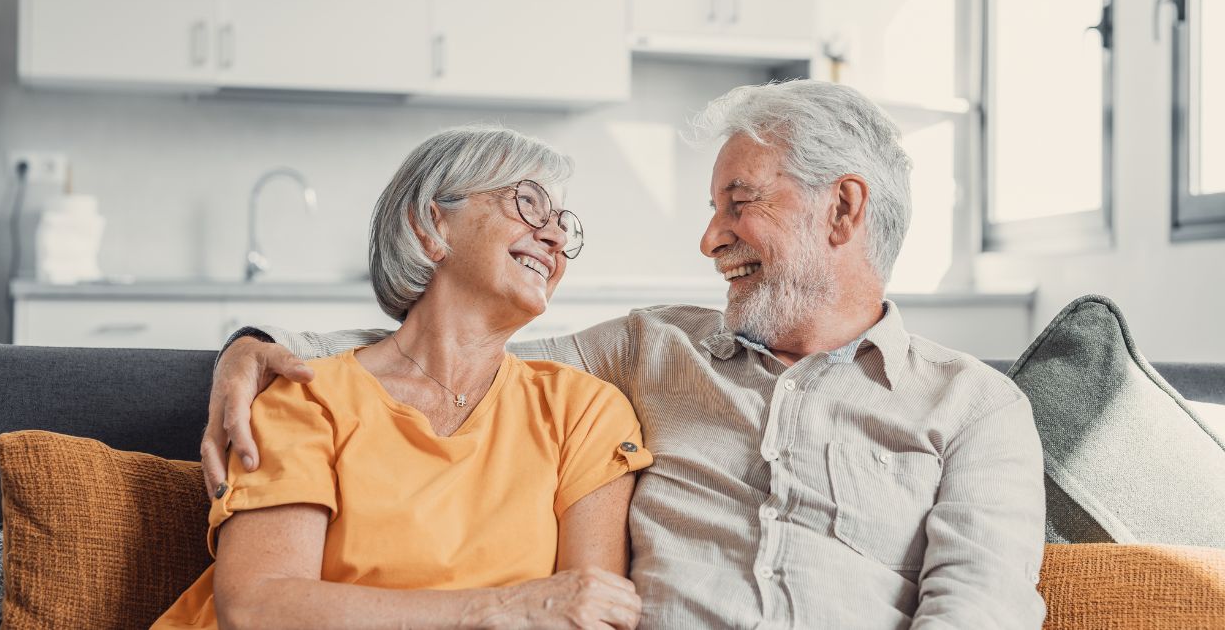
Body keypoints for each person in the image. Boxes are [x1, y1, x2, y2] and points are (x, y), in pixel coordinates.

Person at [205, 80, 1048, 629]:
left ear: (842, 210)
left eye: (738, 203)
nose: (710, 236)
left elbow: (980, 610)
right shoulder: (650, 350)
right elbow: (455, 348)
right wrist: (262, 348)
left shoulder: (975, 410)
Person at [154, 126, 652, 629]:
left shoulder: (585, 412)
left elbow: (591, 613)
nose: (556, 236)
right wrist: (503, 609)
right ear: (428, 226)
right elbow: (259, 609)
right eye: (528, 203)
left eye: (564, 223)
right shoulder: (309, 399)